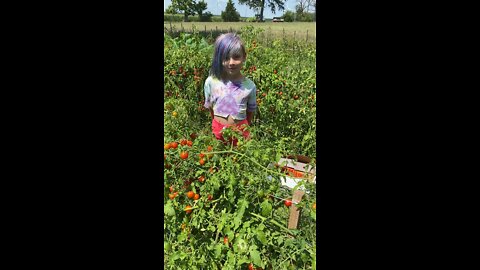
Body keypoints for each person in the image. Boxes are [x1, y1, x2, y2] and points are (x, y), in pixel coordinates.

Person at [203, 33, 257, 146]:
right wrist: (217, 123)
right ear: (219, 58)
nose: (231, 62)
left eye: (236, 57)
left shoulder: (249, 86)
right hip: (218, 130)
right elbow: (211, 108)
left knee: (240, 159)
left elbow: (250, 113)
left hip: (241, 132)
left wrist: (242, 127)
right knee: (218, 158)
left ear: (244, 57)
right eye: (226, 58)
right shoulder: (211, 82)